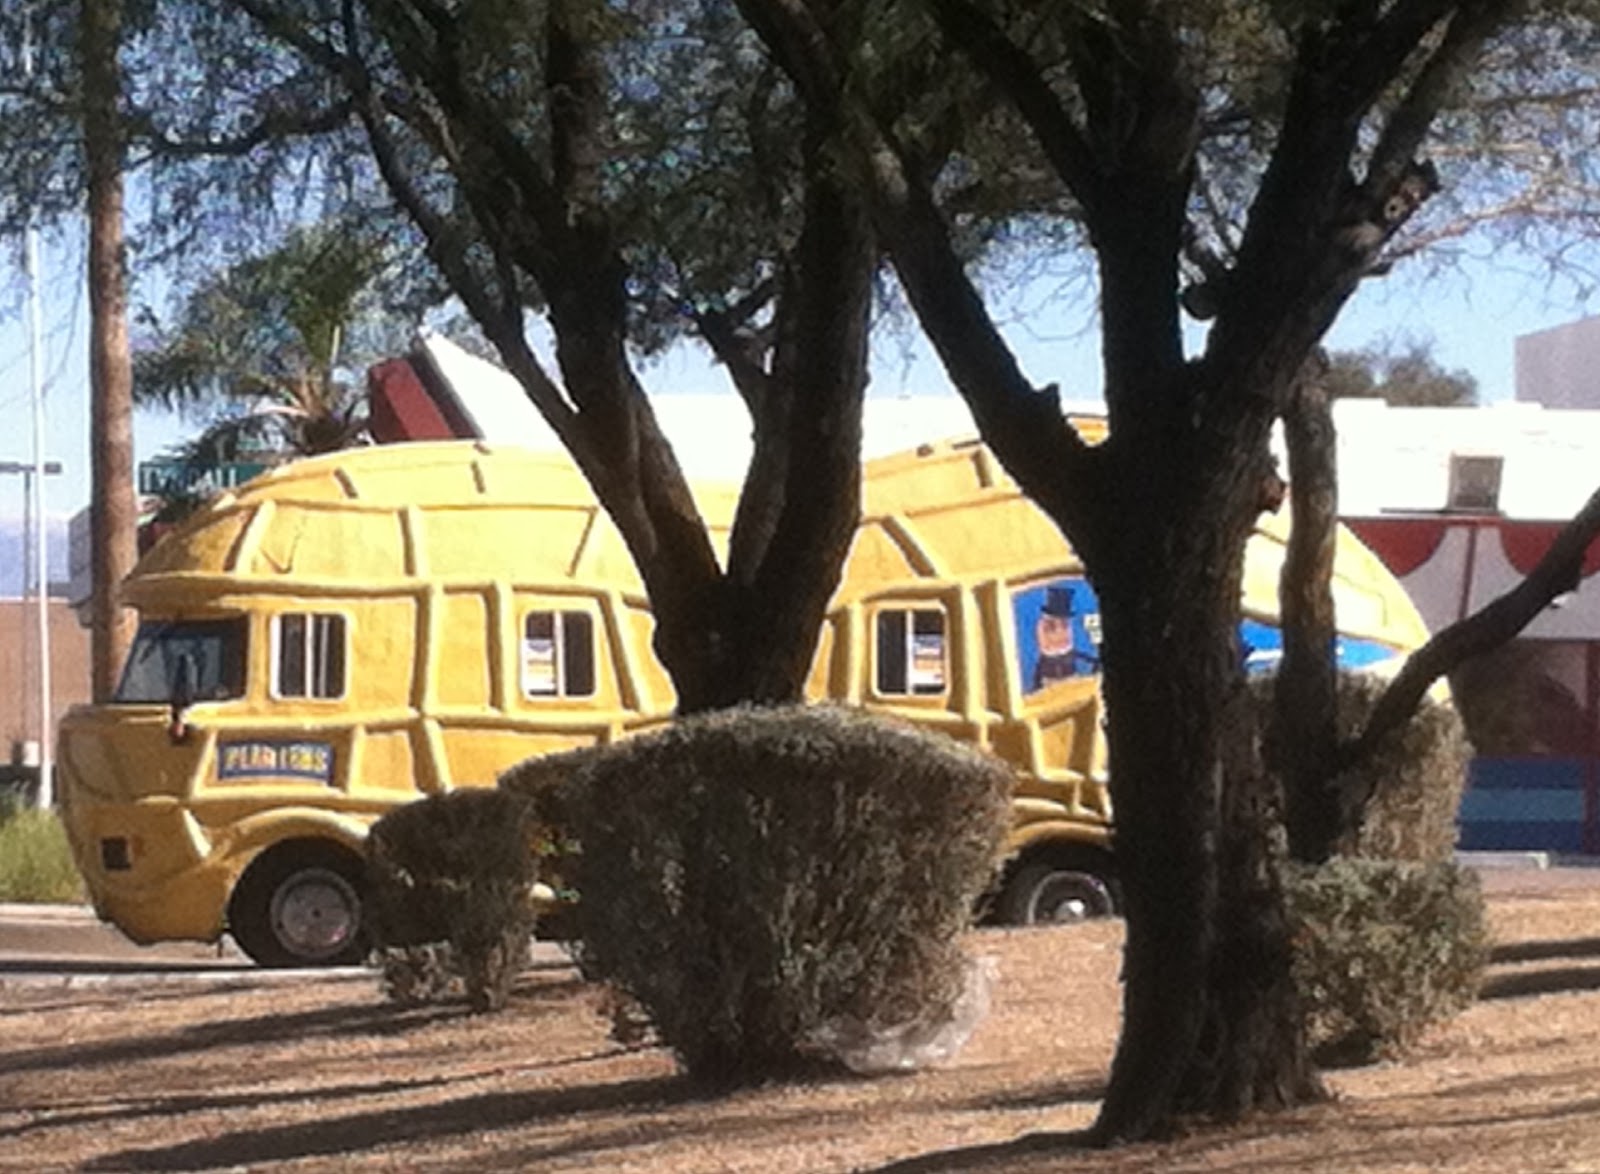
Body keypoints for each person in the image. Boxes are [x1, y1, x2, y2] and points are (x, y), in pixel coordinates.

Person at [1031, 585, 1099, 689]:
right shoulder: (1042, 625)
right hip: (1049, 681)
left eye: (1064, 625)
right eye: (1051, 627)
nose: (1059, 634)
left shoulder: (1069, 648)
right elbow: (1039, 670)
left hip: (1071, 679)